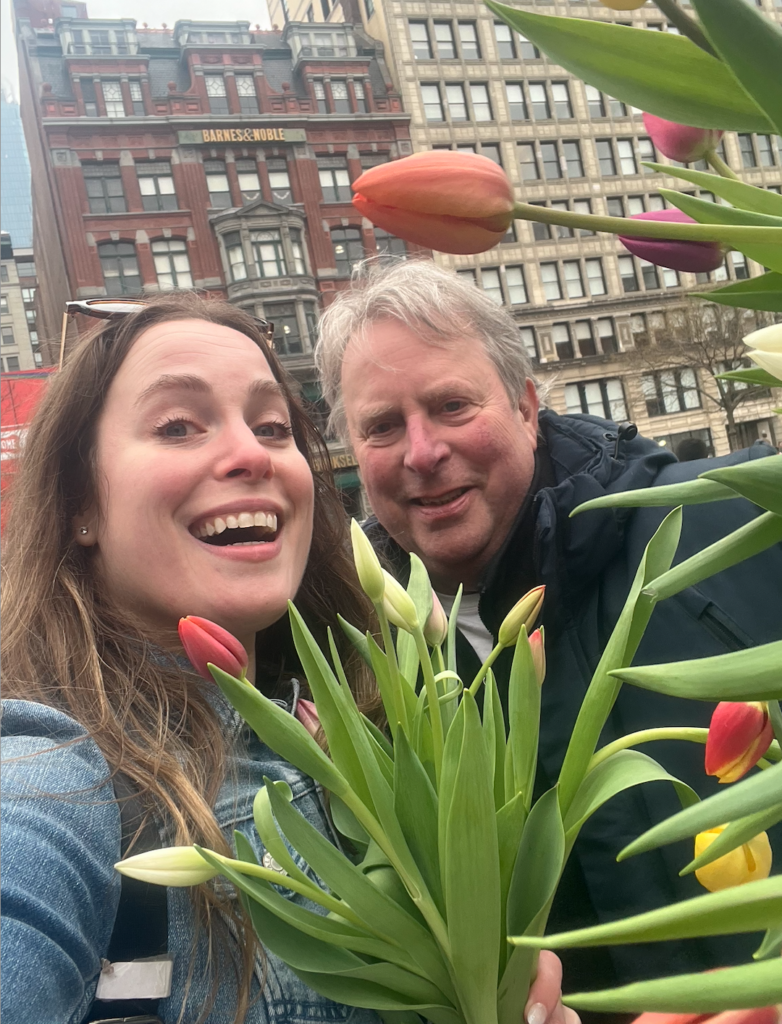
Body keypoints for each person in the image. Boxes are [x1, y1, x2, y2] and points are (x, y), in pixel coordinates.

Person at [1, 294, 566, 1024]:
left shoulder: (366, 743)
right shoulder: (51, 787)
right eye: (178, 425)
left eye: (273, 426)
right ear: (80, 500)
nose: (251, 454)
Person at [315, 260, 782, 1001]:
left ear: (527, 408)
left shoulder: (734, 521)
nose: (423, 452)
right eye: (381, 426)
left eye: (452, 405)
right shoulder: (356, 671)